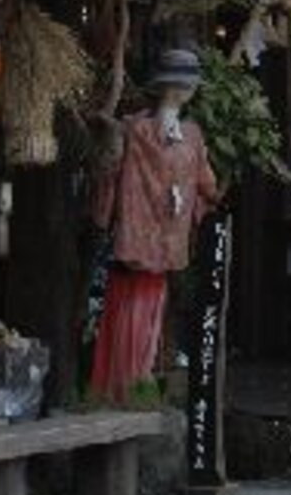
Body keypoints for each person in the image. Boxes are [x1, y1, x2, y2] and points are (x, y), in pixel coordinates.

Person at [88, 47, 220, 402]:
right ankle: (136, 388)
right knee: (146, 314)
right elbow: (210, 186)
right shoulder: (190, 136)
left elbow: (107, 179)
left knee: (128, 315)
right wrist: (205, 202)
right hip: (166, 244)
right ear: (183, 91)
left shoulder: (131, 129)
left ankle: (122, 388)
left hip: (132, 241)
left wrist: (103, 218)